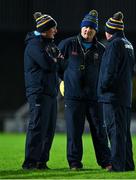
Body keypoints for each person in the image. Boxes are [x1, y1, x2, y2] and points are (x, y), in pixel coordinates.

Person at [58, 10, 111, 170]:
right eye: (85, 27)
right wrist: (66, 81)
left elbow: (105, 72)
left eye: (91, 28)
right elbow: (57, 67)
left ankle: (106, 162)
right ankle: (74, 163)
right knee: (74, 133)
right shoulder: (68, 44)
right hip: (73, 97)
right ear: (81, 28)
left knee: (100, 132)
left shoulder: (102, 50)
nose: (87, 31)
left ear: (95, 31)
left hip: (95, 98)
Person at [22, 12, 62, 170]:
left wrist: (56, 60)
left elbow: (59, 61)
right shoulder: (34, 44)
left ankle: (41, 162)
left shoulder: (48, 43)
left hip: (51, 93)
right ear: (45, 29)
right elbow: (49, 65)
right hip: (38, 92)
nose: (56, 31)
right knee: (38, 127)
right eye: (53, 28)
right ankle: (30, 162)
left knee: (49, 129)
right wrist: (56, 60)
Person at [97, 11, 135, 172]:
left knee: (115, 132)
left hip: (112, 96)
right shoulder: (128, 43)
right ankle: (127, 163)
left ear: (110, 31)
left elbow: (109, 71)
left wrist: (102, 87)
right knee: (124, 132)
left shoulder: (113, 44)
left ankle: (118, 165)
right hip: (125, 96)